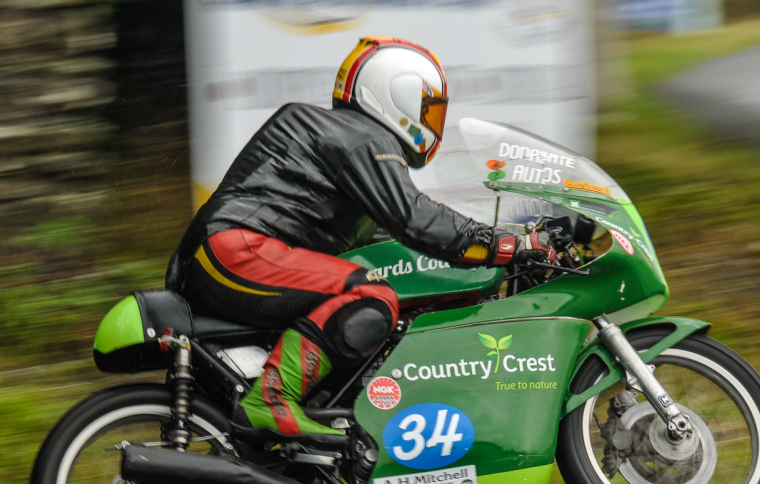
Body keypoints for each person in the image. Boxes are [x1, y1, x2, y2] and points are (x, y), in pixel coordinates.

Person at [165, 36, 554, 442]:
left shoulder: (349, 147)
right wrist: (507, 245)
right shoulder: (360, 136)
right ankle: (272, 399)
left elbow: (400, 239)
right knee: (371, 296)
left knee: (367, 306)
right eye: (429, 108)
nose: (434, 121)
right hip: (236, 249)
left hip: (227, 255)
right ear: (397, 93)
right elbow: (416, 220)